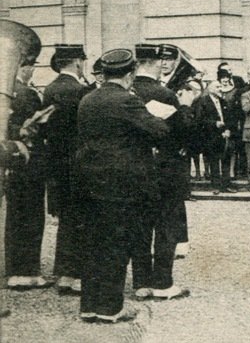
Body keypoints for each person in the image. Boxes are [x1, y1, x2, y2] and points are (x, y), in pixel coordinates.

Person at [77, 49, 171, 323]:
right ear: (130, 74)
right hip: (121, 185)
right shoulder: (127, 101)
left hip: (89, 181)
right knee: (117, 244)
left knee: (93, 244)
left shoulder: (88, 99)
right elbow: (159, 132)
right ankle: (110, 308)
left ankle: (90, 306)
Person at [130, 44, 197, 300]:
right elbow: (182, 133)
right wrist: (186, 107)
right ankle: (162, 283)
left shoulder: (129, 92)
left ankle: (141, 282)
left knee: (141, 227)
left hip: (138, 168)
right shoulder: (165, 94)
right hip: (165, 169)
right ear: (156, 63)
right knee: (166, 227)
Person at [42, 44, 91, 295]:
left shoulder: (49, 89)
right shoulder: (79, 90)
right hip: (77, 163)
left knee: (66, 219)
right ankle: (74, 276)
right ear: (77, 62)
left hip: (57, 164)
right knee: (80, 219)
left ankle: (62, 272)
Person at [5, 51, 49, 290]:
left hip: (13, 161)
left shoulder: (8, 92)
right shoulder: (27, 94)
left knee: (15, 215)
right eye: (31, 66)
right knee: (31, 216)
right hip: (30, 161)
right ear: (24, 67)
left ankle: (14, 268)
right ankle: (27, 271)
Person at [194, 75, 237, 194]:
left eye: (220, 86)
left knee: (226, 160)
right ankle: (216, 186)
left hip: (224, 135)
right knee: (214, 161)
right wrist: (214, 123)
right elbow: (199, 119)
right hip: (211, 136)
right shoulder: (203, 102)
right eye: (217, 86)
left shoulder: (223, 101)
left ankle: (226, 185)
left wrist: (228, 129)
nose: (220, 88)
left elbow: (229, 118)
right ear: (211, 89)